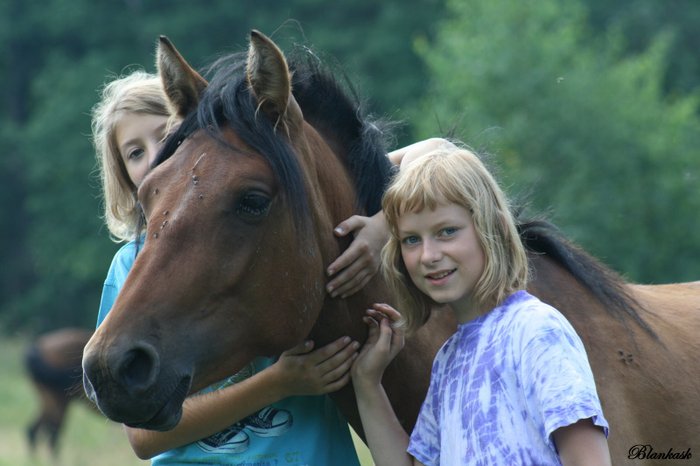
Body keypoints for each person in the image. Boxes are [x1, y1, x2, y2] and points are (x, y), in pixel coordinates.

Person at [91, 70, 363, 465]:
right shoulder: (129, 265)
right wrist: (279, 383)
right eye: (134, 152)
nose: (154, 157)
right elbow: (143, 438)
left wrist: (382, 224)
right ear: (123, 174)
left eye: (167, 135)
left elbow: (364, 170)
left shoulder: (264, 227)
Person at [351, 143, 611, 465]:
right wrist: (367, 383)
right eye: (412, 239)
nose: (429, 255)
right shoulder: (448, 360)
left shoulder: (536, 330)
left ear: (495, 229)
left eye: (446, 231)